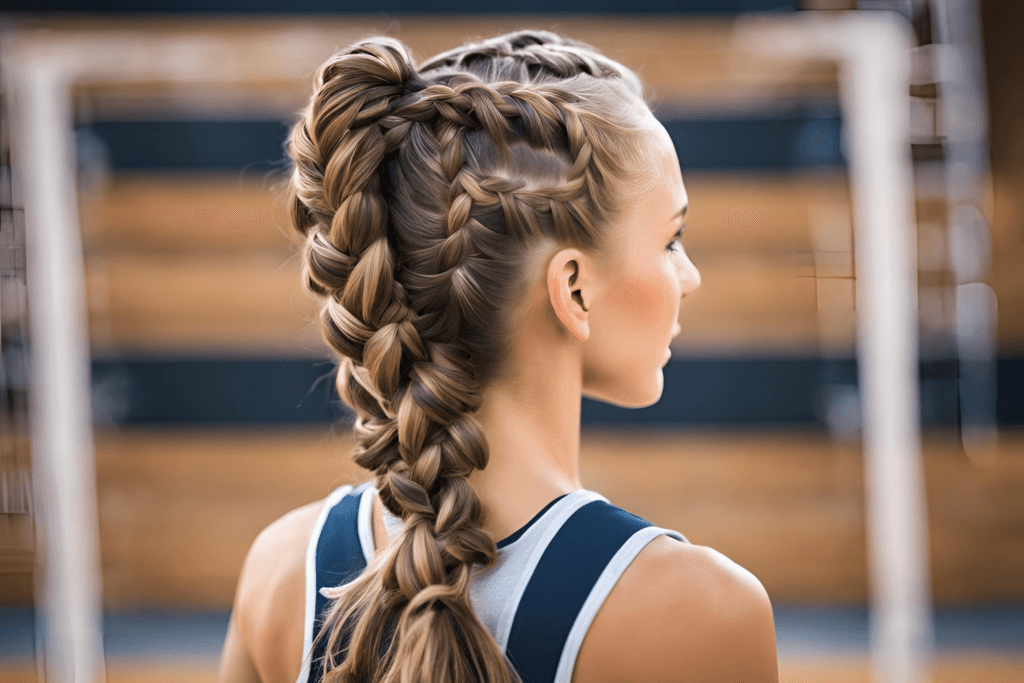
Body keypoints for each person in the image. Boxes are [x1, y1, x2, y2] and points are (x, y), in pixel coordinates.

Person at [218, 29, 778, 683]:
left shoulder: (283, 568)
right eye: (671, 239)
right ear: (573, 287)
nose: (689, 276)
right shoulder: (699, 614)